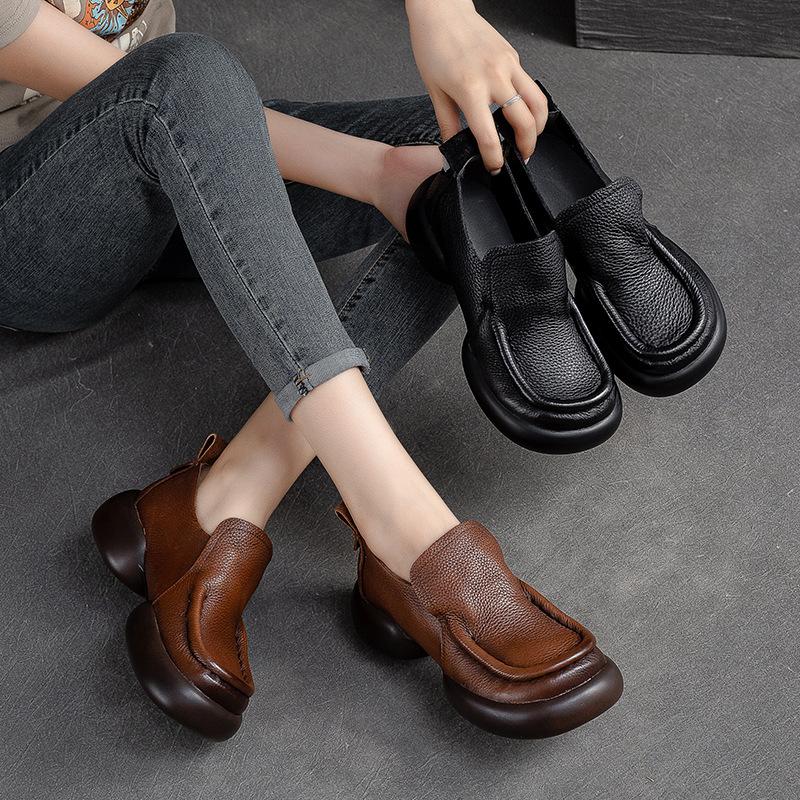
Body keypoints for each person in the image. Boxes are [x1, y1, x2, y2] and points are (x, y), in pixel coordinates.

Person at [0, 0, 623, 740]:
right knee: (188, 76)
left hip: (178, 140)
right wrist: (376, 173)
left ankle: (229, 493)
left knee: (481, 135)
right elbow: (136, 87)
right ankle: (405, 528)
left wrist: (442, 13)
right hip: (34, 218)